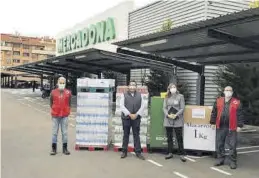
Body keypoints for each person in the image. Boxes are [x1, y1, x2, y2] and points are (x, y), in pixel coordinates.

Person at [210, 86, 244, 169]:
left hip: (232, 127)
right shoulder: (218, 101)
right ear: (223, 91)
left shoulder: (237, 102)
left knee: (232, 145)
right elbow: (214, 112)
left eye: (230, 90)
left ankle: (233, 161)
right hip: (220, 126)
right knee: (220, 144)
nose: (228, 92)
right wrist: (212, 122)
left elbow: (240, 114)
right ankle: (220, 159)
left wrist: (239, 125)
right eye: (226, 90)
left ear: (232, 92)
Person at [120, 80, 145, 160]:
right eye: (131, 85)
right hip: (126, 118)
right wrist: (129, 114)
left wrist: (136, 114)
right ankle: (124, 151)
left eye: (134, 85)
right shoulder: (124, 95)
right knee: (126, 134)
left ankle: (138, 152)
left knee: (136, 135)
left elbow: (143, 106)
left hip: (136, 118)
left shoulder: (140, 95)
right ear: (128, 86)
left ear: (136, 87)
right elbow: (121, 106)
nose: (132, 87)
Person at [163, 83, 186, 162]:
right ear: (169, 89)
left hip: (178, 119)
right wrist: (168, 114)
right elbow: (164, 108)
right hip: (168, 119)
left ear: (176, 88)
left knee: (179, 137)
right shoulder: (166, 97)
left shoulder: (181, 97)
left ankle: (182, 154)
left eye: (174, 87)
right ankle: (170, 153)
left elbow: (182, 108)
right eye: (171, 87)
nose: (173, 88)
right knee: (169, 137)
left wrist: (176, 114)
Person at [50, 77, 71, 156]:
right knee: (54, 132)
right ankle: (53, 149)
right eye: (60, 83)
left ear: (65, 84)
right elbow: (51, 103)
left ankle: (65, 148)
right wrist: (54, 110)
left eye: (63, 83)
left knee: (64, 133)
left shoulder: (68, 93)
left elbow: (69, 103)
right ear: (57, 83)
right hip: (55, 115)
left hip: (64, 115)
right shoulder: (53, 92)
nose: (61, 84)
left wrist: (67, 111)